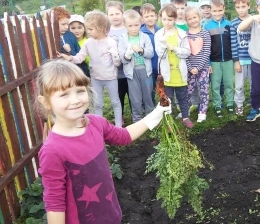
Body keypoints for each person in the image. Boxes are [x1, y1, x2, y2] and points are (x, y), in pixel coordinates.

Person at [37, 59, 170, 224]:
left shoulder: (95, 123)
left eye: (80, 91)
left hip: (110, 214)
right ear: (46, 102)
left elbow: (123, 136)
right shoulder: (53, 150)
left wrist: (156, 114)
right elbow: (54, 202)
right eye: (64, 94)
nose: (75, 100)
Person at [58, 10, 123, 127]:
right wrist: (69, 58)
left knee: (115, 102)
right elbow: (80, 58)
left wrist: (114, 55)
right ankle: (99, 126)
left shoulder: (111, 42)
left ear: (101, 28)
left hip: (110, 78)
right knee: (98, 104)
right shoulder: (88, 42)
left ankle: (118, 127)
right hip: (95, 78)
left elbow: (117, 63)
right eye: (87, 29)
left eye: (90, 29)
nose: (87, 32)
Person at [155, 4, 194, 128]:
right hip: (167, 74)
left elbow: (186, 52)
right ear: (161, 18)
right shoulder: (159, 35)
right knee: (168, 97)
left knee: (182, 96)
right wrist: (164, 45)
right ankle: (169, 119)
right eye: (164, 19)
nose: (167, 22)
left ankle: (185, 116)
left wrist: (175, 49)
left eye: (170, 20)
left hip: (179, 73)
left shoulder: (181, 34)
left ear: (175, 19)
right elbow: (159, 54)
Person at [118, 10, 154, 123]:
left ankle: (151, 116)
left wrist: (141, 50)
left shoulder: (145, 37)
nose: (133, 28)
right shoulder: (123, 39)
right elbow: (122, 59)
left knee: (148, 94)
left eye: (136, 25)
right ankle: (137, 118)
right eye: (130, 26)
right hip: (131, 73)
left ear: (141, 23)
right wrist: (127, 55)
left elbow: (151, 53)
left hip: (145, 71)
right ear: (125, 25)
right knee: (135, 97)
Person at [204, 0, 234, 117]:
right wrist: (208, 63)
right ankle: (217, 105)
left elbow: (233, 42)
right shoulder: (206, 26)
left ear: (224, 9)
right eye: (214, 11)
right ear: (210, 10)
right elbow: (205, 47)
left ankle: (230, 103)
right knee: (215, 85)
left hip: (228, 60)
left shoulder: (229, 24)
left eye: (220, 10)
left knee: (228, 83)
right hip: (214, 61)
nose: (217, 13)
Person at [185, 6, 211, 123]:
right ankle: (185, 110)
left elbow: (206, 52)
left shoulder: (205, 33)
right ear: (186, 21)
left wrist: (199, 67)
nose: (193, 20)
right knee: (187, 90)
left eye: (194, 17)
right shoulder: (185, 35)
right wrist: (190, 68)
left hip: (203, 69)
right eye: (189, 19)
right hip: (189, 70)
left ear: (199, 17)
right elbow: (184, 54)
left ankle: (202, 112)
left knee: (204, 90)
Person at [106, 1, 129, 125]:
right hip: (116, 73)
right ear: (107, 16)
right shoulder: (107, 32)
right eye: (111, 14)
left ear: (122, 14)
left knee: (132, 95)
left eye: (117, 13)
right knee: (118, 96)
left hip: (129, 70)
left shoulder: (128, 29)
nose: (115, 16)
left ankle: (135, 113)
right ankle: (119, 116)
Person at [231, 0, 252, 116]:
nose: (241, 10)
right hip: (241, 61)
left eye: (243, 6)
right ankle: (239, 105)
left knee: (255, 84)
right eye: (238, 7)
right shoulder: (233, 23)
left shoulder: (253, 20)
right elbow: (233, 43)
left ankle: (254, 101)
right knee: (239, 85)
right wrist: (236, 61)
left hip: (254, 59)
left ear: (249, 6)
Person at [53, 7, 89, 77]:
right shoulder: (51, 38)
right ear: (53, 23)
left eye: (67, 24)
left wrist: (70, 51)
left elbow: (79, 52)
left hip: (78, 68)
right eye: (63, 24)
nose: (66, 27)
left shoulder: (70, 35)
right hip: (64, 72)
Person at [140, 3, 161, 105]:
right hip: (148, 67)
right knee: (149, 89)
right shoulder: (141, 33)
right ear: (142, 19)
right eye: (146, 16)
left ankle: (164, 107)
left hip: (160, 66)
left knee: (162, 88)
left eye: (152, 16)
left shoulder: (161, 30)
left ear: (156, 16)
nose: (150, 18)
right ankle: (150, 108)